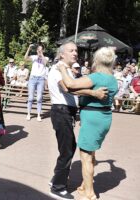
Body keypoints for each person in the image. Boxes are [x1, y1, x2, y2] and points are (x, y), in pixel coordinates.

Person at [47, 41, 108, 200]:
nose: (75, 53)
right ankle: (57, 188)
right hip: (61, 112)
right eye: (71, 50)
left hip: (66, 112)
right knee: (67, 150)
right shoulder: (58, 69)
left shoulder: (66, 69)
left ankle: (56, 179)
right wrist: (93, 94)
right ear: (62, 54)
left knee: (67, 148)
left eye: (76, 50)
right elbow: (68, 88)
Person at [58, 47, 118, 200]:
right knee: (91, 152)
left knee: (85, 156)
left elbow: (70, 84)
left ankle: (90, 193)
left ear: (96, 61)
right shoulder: (112, 78)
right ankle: (86, 184)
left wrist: (63, 69)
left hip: (92, 118)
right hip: (104, 117)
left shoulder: (97, 77)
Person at [24, 43, 48, 122]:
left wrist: (41, 54)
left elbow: (45, 62)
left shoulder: (46, 58)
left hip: (41, 79)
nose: (39, 51)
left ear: (43, 50)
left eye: (41, 50)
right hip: (33, 79)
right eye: (38, 50)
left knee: (39, 98)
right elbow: (25, 58)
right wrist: (29, 48)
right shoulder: (34, 57)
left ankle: (38, 115)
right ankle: (28, 114)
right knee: (30, 97)